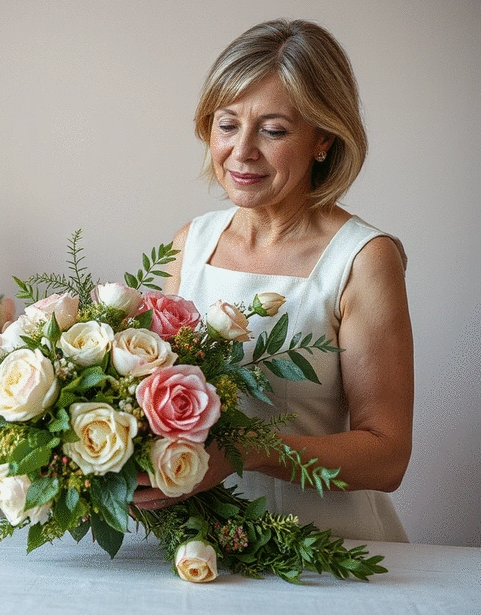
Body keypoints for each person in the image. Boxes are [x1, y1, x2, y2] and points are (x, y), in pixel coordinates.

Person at [133, 19, 413, 542]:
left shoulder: (363, 259)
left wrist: (248, 451)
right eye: (227, 124)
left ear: (323, 138)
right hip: (199, 548)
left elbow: (387, 456)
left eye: (274, 130)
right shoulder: (189, 244)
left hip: (325, 551)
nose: (242, 151)